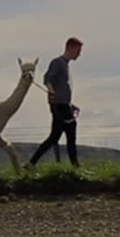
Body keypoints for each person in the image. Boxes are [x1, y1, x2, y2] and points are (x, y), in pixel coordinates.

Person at [29, 37, 83, 169]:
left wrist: (70, 104)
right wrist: (51, 90)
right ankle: (76, 167)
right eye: (78, 51)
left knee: (54, 137)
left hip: (63, 105)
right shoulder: (57, 62)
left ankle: (31, 163)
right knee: (71, 130)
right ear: (70, 48)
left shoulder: (65, 65)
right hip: (59, 106)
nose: (79, 54)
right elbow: (47, 78)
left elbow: (61, 88)